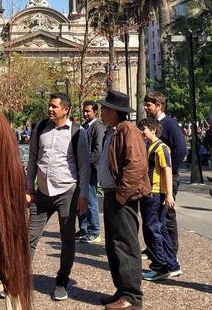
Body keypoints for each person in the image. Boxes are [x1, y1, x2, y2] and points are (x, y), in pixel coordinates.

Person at [26, 92, 89, 301]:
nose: (50, 109)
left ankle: (62, 281)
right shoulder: (41, 128)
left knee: (67, 239)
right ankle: (21, 277)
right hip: (42, 193)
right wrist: (29, 189)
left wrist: (83, 196)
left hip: (67, 193)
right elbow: (33, 158)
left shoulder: (77, 132)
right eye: (49, 106)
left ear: (66, 109)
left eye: (54, 106)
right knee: (28, 239)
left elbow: (83, 166)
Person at [97, 90, 149, 310]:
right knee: (114, 245)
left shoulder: (128, 130)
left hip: (122, 197)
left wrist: (121, 194)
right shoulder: (114, 130)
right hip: (112, 195)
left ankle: (132, 295)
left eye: (105, 108)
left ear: (115, 111)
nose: (102, 111)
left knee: (125, 245)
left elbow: (136, 164)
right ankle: (122, 289)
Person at [142, 92, 186, 258]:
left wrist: (169, 169)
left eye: (149, 105)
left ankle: (171, 251)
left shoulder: (170, 124)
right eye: (145, 105)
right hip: (154, 178)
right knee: (155, 216)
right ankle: (155, 247)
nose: (146, 108)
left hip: (168, 177)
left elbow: (181, 150)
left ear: (158, 106)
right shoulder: (151, 125)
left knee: (167, 215)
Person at [138, 117, 180, 281]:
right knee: (160, 228)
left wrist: (169, 194)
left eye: (144, 129)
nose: (142, 132)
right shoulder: (152, 147)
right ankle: (171, 263)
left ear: (153, 129)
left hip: (156, 192)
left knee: (152, 228)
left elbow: (167, 170)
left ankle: (160, 265)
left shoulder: (161, 148)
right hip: (154, 191)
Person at [76, 100, 105, 244]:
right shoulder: (84, 127)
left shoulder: (98, 127)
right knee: (80, 198)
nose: (85, 114)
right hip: (81, 169)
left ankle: (94, 231)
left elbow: (98, 151)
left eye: (88, 111)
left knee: (91, 200)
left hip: (91, 169)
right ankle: (84, 229)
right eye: (84, 111)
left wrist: (85, 163)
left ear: (95, 112)